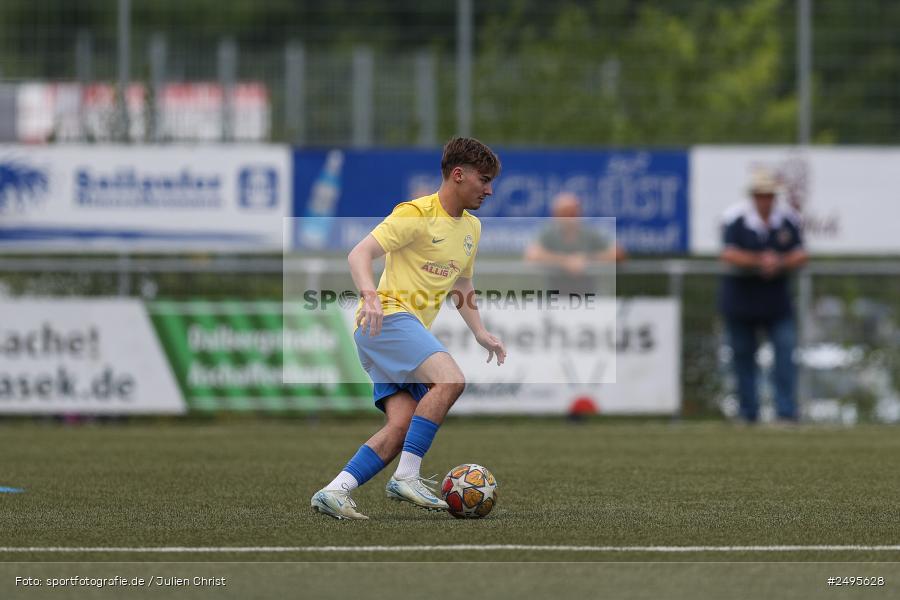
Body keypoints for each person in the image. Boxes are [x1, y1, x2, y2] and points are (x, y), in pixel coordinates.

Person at [310, 137, 507, 520]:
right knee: (450, 380)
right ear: (457, 174)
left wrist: (480, 332)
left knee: (401, 426)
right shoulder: (415, 213)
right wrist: (369, 294)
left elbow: (461, 284)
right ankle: (406, 477)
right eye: (483, 180)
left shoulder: (472, 228)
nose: (489, 189)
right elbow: (359, 253)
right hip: (386, 318)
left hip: (396, 328)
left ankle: (336, 490)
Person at [719, 170, 808, 423]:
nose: (765, 200)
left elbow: (801, 254)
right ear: (753, 196)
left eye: (769, 195)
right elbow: (728, 254)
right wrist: (760, 261)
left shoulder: (788, 219)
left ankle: (786, 412)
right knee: (743, 358)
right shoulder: (735, 218)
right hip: (741, 300)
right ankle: (748, 413)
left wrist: (779, 261)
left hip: (776, 302)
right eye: (761, 195)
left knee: (784, 355)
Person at [524, 192, 625, 297]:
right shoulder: (548, 233)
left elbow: (618, 254)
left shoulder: (590, 233)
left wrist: (587, 259)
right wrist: (565, 261)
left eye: (572, 213)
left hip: (589, 297)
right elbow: (532, 255)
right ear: (555, 214)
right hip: (556, 297)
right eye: (563, 213)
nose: (568, 217)